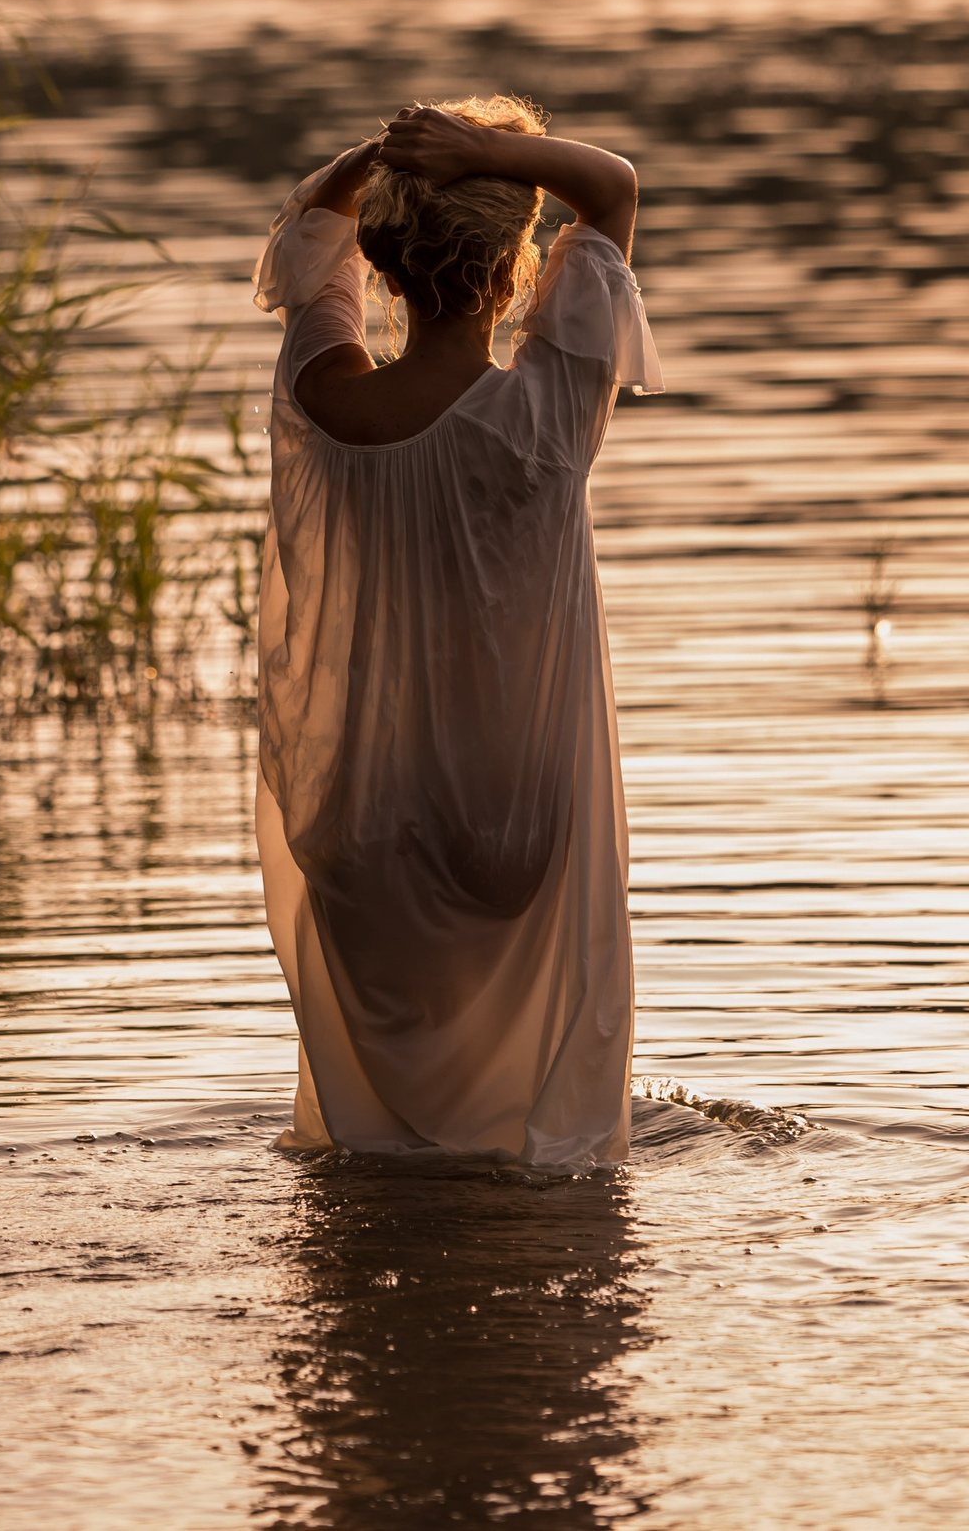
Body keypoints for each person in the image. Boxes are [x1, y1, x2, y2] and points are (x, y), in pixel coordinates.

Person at [251, 94, 662, 1171]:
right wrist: (485, 149)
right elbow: (613, 187)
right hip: (507, 811)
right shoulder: (545, 417)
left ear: (383, 269)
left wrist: (383, 155)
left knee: (378, 1150)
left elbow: (307, 234)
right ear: (516, 272)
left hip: (359, 813)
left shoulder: (316, 399)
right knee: (538, 1145)